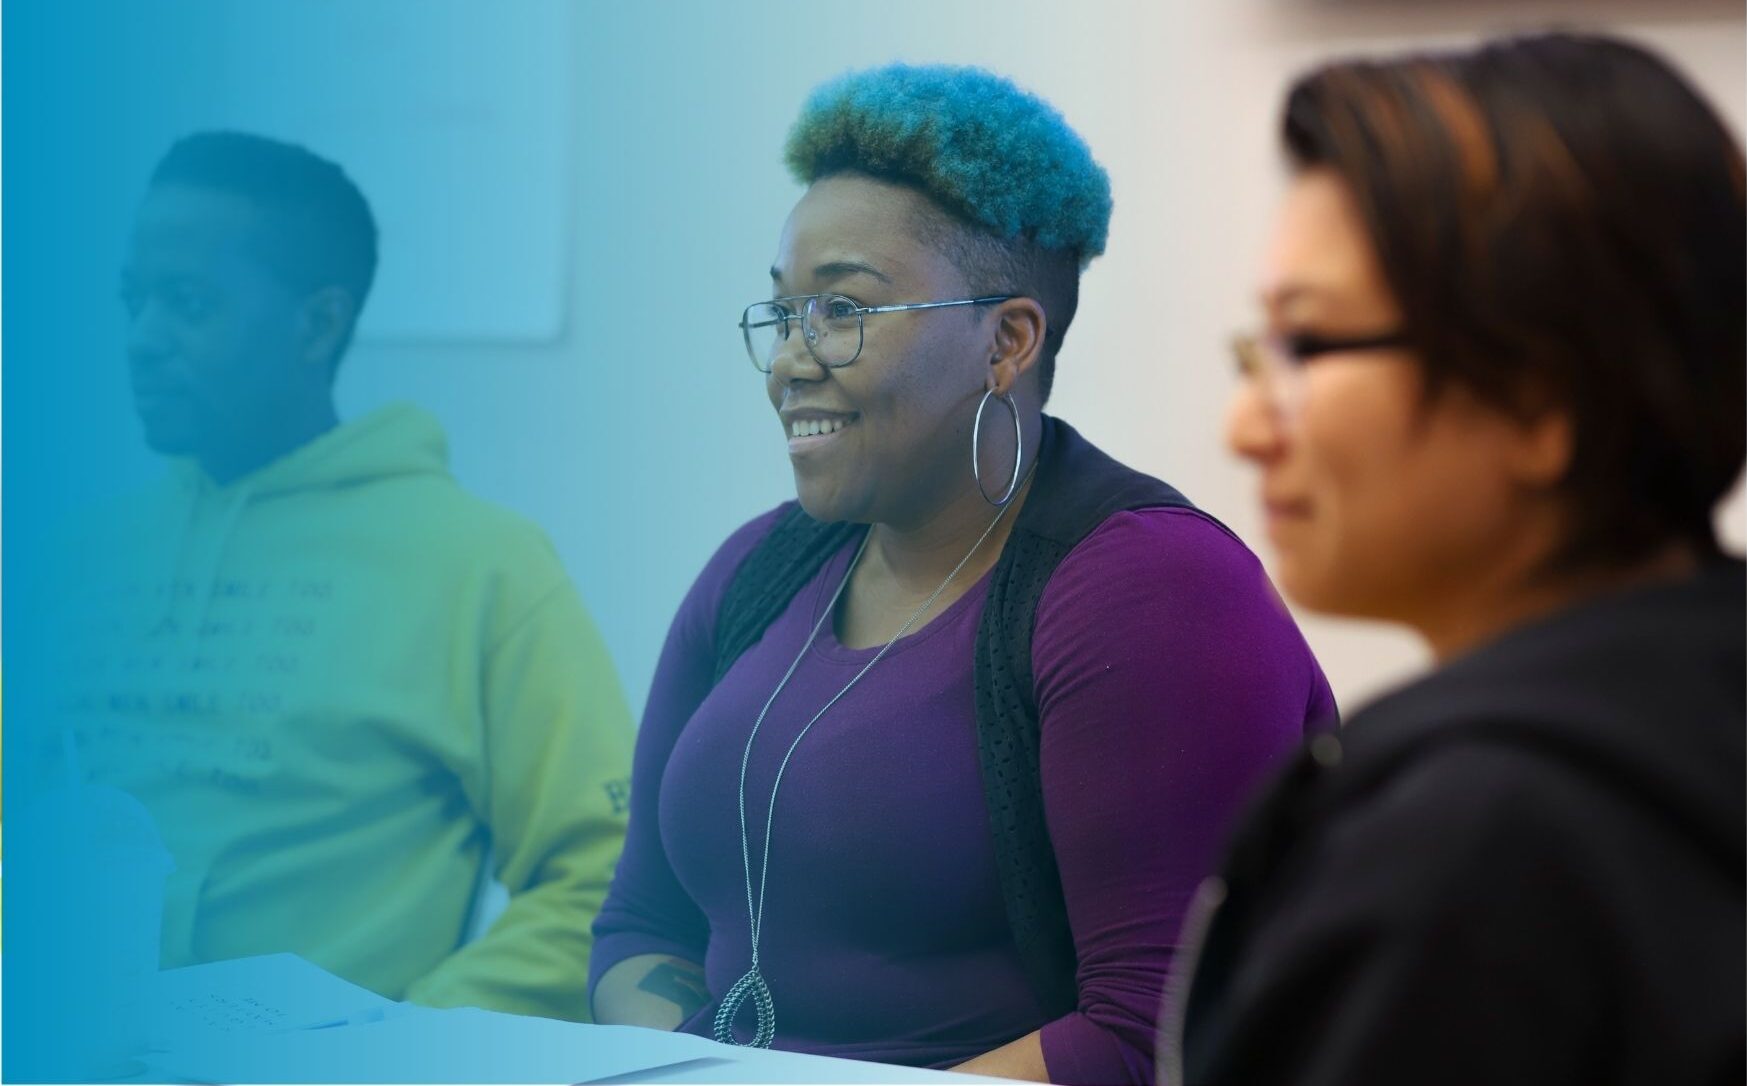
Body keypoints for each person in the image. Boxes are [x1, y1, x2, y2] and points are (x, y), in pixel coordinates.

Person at [589, 65, 1334, 1084]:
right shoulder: (759, 567)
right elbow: (641, 922)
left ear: (1007, 341)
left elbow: (1153, 1033)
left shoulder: (1149, 591)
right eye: (782, 312)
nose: (789, 361)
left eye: (842, 310)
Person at [1167, 33, 1745, 1086]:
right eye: (1259, 350)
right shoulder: (1692, 724)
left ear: (1539, 397)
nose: (1244, 427)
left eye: (1307, 346)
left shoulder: (1468, 849)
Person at [40, 131, 635, 1022]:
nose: (142, 339)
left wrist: (405, 1045)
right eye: (133, 300)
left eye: (188, 303)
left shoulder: (479, 564)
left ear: (318, 323)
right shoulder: (71, 557)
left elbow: (604, 875)